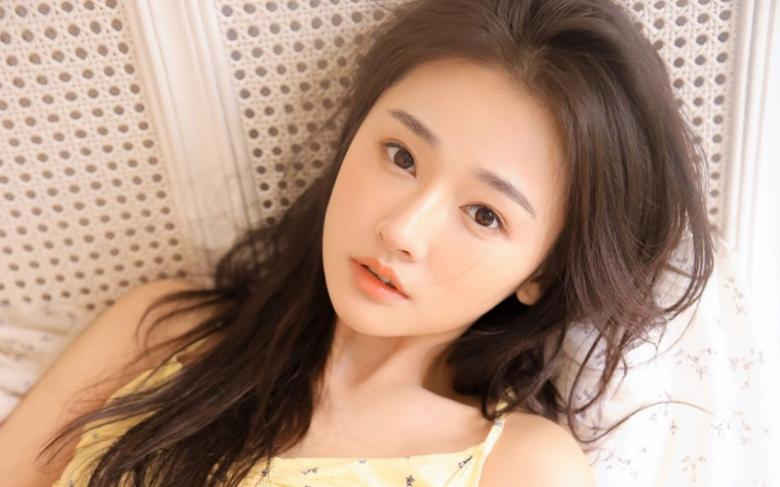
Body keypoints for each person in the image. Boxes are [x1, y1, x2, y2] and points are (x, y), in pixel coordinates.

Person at [0, 0, 714, 485]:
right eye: (401, 156)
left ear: (543, 272)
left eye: (484, 214)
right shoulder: (161, 333)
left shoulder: (518, 467)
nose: (402, 230)